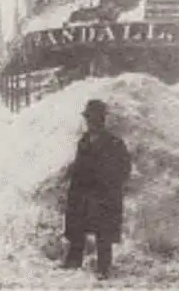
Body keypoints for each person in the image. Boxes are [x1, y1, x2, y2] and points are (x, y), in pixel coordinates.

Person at [61, 99, 132, 280]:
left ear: (102, 120)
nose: (91, 122)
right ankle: (74, 260)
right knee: (77, 225)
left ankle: (103, 267)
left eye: (94, 119)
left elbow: (125, 168)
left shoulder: (115, 143)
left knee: (104, 232)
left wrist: (111, 184)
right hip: (83, 192)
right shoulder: (83, 141)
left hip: (104, 194)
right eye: (88, 118)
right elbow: (79, 166)